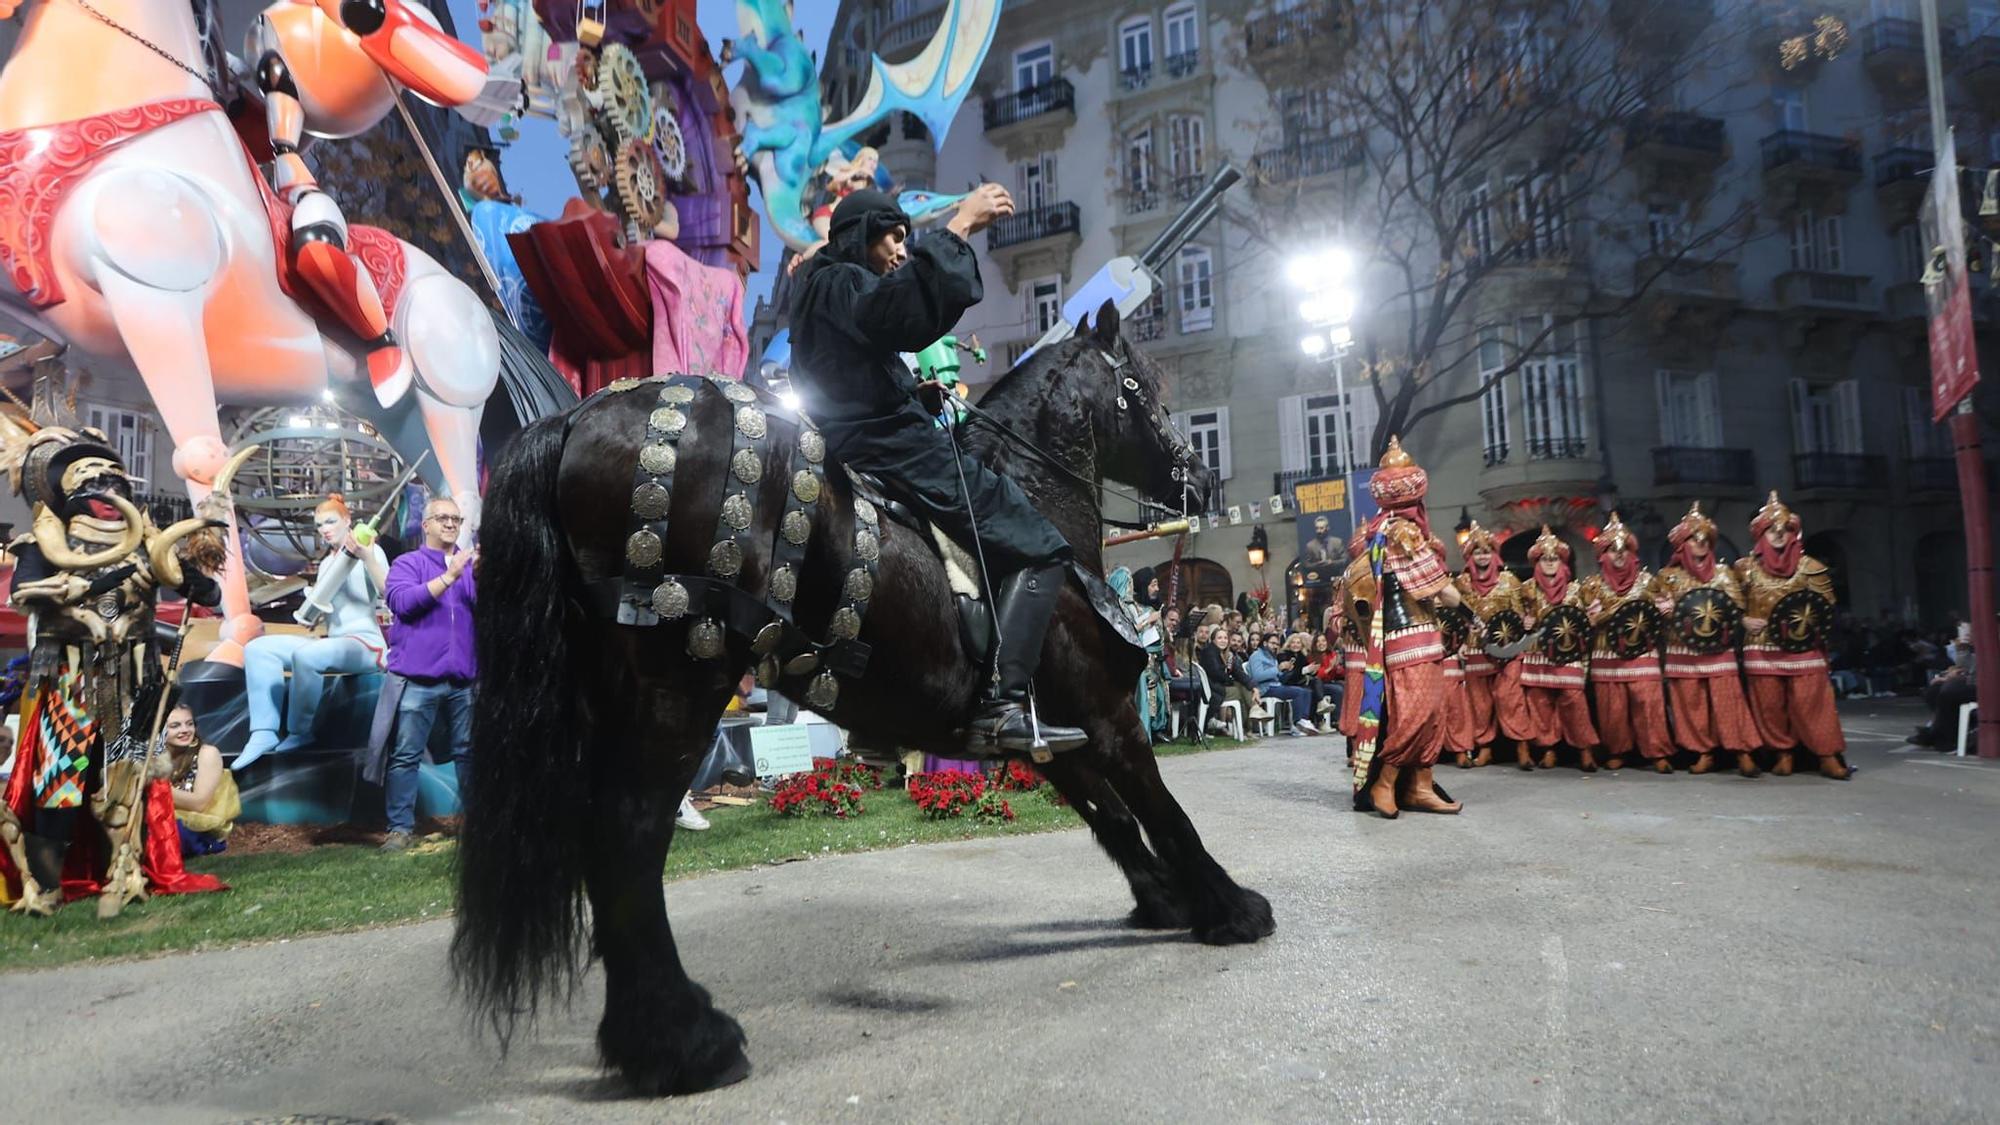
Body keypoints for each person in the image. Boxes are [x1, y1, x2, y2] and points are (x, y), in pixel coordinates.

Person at [789, 185, 1087, 757]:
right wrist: (959, 227)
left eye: (907, 239)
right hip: (893, 448)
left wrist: (907, 388)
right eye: (894, 237)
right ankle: (1003, 706)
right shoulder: (845, 280)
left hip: (852, 441)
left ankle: (880, 723)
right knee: (1041, 544)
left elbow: (850, 368)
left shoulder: (816, 287)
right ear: (860, 236)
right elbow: (897, 315)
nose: (902, 251)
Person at [1341, 437, 1463, 817]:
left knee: (1431, 714)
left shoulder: (1388, 531)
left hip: (1418, 636)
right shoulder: (1403, 532)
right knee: (1416, 714)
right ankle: (1386, 782)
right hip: (1407, 636)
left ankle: (1420, 786)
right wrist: (1463, 601)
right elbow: (1444, 593)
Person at [235, 493, 390, 768]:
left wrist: (368, 557)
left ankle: (300, 731)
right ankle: (263, 732)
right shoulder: (329, 562)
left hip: (366, 645)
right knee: (258, 649)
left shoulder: (369, 550)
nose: (325, 529)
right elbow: (326, 608)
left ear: (347, 520)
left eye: (330, 521)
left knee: (308, 656)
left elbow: (390, 592)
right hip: (333, 641)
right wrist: (312, 618)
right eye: (319, 525)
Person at [379, 498, 478, 851]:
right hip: (418, 680)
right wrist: (449, 576)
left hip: (462, 681)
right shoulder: (408, 563)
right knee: (406, 754)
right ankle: (400, 828)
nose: (451, 524)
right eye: (443, 518)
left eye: (456, 518)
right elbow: (403, 603)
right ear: (426, 525)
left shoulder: (470, 568)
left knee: (469, 753)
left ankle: (476, 825)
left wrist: (482, 576)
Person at [1736, 492, 1850, 779]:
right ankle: (1782, 753)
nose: (1777, 534)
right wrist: (1743, 619)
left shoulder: (1810, 567)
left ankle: (1826, 755)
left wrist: (1808, 624)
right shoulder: (1744, 569)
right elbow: (1730, 604)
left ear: (1793, 533)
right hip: (1761, 646)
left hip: (1803, 647)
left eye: (1784, 529)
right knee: (1770, 705)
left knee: (1813, 704)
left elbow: (1826, 606)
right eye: (1771, 529)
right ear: (1759, 533)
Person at [1649, 502, 1762, 777]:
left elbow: (1735, 605)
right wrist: (1660, 609)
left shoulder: (1723, 574)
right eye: (1693, 539)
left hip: (1717, 649)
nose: (1699, 543)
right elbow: (1653, 608)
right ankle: (1703, 752)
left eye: (1704, 539)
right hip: (1681, 648)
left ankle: (1743, 751)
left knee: (1729, 701)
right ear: (1682, 545)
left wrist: (1744, 619)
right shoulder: (1667, 577)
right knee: (1690, 705)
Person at [1578, 513, 1675, 773]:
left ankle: (1657, 752)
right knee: (1613, 708)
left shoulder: (1648, 582)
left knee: (1648, 703)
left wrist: (1667, 611)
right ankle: (1617, 750)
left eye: (1624, 549)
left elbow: (1663, 614)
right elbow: (1586, 620)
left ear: (1633, 553)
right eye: (1611, 550)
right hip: (1606, 652)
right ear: (1602, 556)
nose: (1619, 555)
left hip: (1642, 651)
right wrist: (1597, 617)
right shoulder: (1592, 586)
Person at [1518, 526, 1602, 771]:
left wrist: (1587, 620)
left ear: (1563, 561)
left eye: (1554, 558)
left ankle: (1585, 750)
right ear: (1537, 562)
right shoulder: (1527, 590)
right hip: (1537, 652)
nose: (1550, 563)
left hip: (1568, 653)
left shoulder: (1577, 589)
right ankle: (1548, 749)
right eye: (1545, 559)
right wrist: (1526, 622)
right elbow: (1518, 617)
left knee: (1574, 702)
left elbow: (1594, 614)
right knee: (1540, 703)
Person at [1455, 522, 1534, 770]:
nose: (1482, 556)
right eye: (1477, 552)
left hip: (1508, 650)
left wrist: (1526, 622)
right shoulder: (1462, 584)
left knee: (1510, 697)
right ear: (1470, 556)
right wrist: (1461, 641)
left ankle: (1523, 748)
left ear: (1494, 554)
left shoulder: (1509, 581)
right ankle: (1484, 748)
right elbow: (1458, 617)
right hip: (1477, 648)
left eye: (1486, 551)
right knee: (1480, 702)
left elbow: (1521, 614)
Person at [164, 705, 238, 856]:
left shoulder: (207, 753)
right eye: (175, 726)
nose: (185, 730)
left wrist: (157, 789)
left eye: (189, 723)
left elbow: (199, 803)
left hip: (198, 828)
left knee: (168, 831)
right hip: (163, 820)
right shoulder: (153, 758)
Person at [1910, 623, 1977, 749]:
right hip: (1976, 679)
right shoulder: (1985, 641)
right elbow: (1966, 665)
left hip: (1987, 684)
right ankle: (1938, 730)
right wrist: (1963, 647)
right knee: (1934, 690)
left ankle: (1943, 736)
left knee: (1950, 690)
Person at [1248, 632, 1318, 736]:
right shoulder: (1256, 656)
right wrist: (1278, 668)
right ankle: (1297, 724)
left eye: (1276, 644)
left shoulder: (1272, 657)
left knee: (1306, 691)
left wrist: (1286, 670)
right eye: (1272, 643)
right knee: (1298, 692)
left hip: (1276, 685)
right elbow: (1257, 676)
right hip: (1264, 688)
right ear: (1265, 643)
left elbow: (1278, 676)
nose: (1275, 646)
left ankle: (1304, 720)